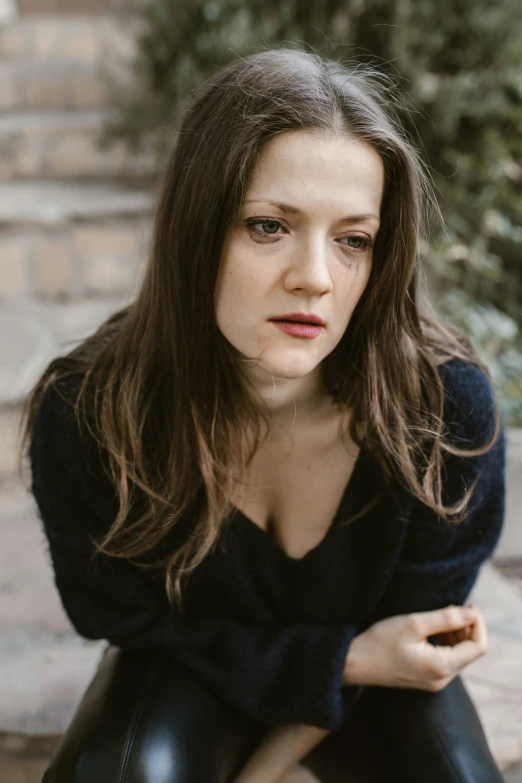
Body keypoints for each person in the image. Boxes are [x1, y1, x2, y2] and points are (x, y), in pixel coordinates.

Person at [20, 47, 506, 782]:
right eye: (268, 226)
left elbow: (405, 645)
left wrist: (269, 761)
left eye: (353, 240)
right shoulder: (90, 416)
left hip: (380, 682)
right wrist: (336, 657)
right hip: (191, 664)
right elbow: (128, 620)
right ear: (197, 228)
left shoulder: (442, 415)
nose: (313, 277)